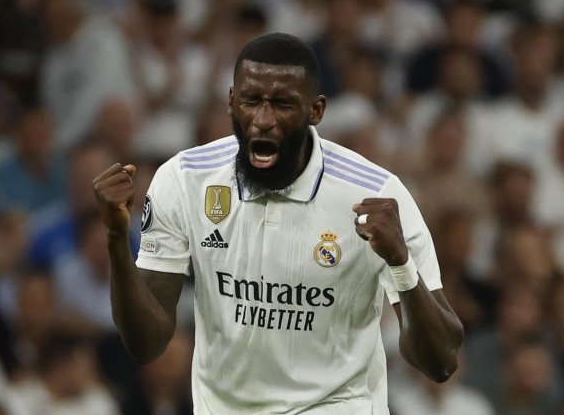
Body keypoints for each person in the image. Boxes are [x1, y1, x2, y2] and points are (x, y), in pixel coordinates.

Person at [93, 32, 463, 414]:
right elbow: (145, 344)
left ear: (315, 110)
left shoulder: (377, 195)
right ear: (232, 101)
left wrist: (401, 264)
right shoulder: (185, 181)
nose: (263, 120)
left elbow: (441, 362)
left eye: (282, 104)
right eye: (252, 101)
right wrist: (118, 239)